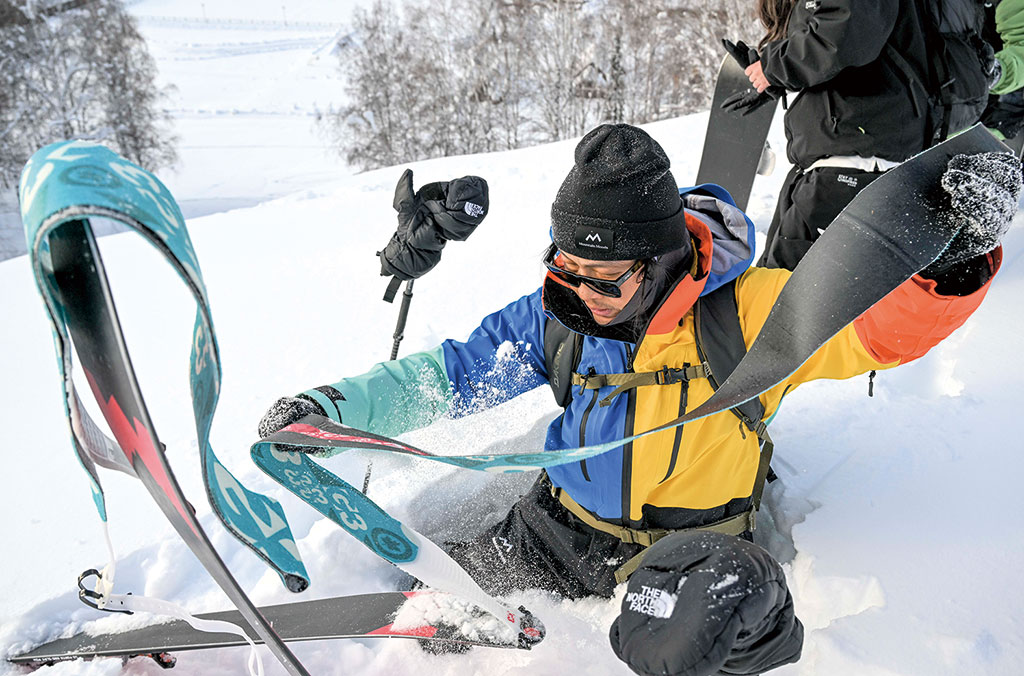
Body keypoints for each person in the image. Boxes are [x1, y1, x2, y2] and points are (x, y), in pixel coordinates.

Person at [259, 124, 1018, 676]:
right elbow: (452, 374)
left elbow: (873, 332)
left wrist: (948, 264)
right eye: (567, 273)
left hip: (689, 551)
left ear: (659, 262)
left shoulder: (748, 315)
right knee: (429, 613)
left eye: (605, 279)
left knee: (682, 651)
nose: (583, 298)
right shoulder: (562, 309)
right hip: (555, 531)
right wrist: (333, 408)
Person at [737, 0, 1022, 270]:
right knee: (778, 290)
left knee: (780, 297)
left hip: (857, 151)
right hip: (851, 151)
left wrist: (776, 66)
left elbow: (846, 31)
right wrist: (775, 71)